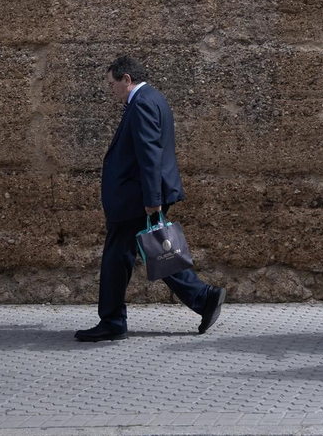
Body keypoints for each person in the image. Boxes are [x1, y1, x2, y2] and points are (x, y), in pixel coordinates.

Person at [75, 56, 225, 342]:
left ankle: (113, 321)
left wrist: (152, 199)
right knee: (155, 251)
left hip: (136, 197)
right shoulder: (153, 98)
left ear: (126, 79)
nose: (111, 91)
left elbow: (149, 153)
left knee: (118, 256)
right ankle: (204, 298)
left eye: (112, 85)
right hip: (140, 195)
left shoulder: (142, 103)